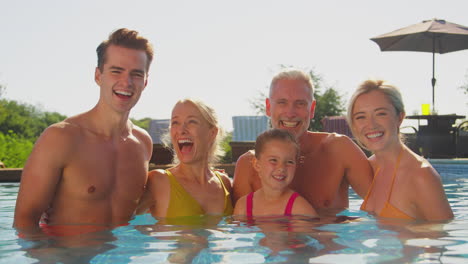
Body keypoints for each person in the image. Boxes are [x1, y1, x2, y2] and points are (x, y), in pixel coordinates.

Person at [13, 28, 154, 235]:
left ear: (145, 82)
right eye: (116, 71)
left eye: (136, 74)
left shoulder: (142, 143)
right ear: (98, 76)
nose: (127, 82)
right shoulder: (61, 138)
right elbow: (24, 224)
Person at [233, 68, 373, 215]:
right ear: (268, 107)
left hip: (329, 237)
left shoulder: (340, 150)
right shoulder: (248, 165)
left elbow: (382, 207)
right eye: (282, 102)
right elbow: (241, 230)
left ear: (312, 109)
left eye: (300, 103)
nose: (290, 113)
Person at [347, 79, 453, 221]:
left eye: (381, 114)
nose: (370, 125)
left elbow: (441, 237)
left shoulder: (421, 175)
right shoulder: (369, 168)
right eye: (361, 117)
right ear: (353, 125)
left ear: (400, 117)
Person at [137, 98, 233, 221]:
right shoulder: (159, 182)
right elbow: (119, 221)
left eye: (191, 122)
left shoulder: (225, 183)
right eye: (175, 123)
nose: (181, 130)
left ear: (212, 133)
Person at [233, 128, 318, 218]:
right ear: (257, 164)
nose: (281, 168)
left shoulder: (300, 209)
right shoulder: (243, 206)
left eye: (289, 162)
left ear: (296, 166)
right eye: (273, 160)